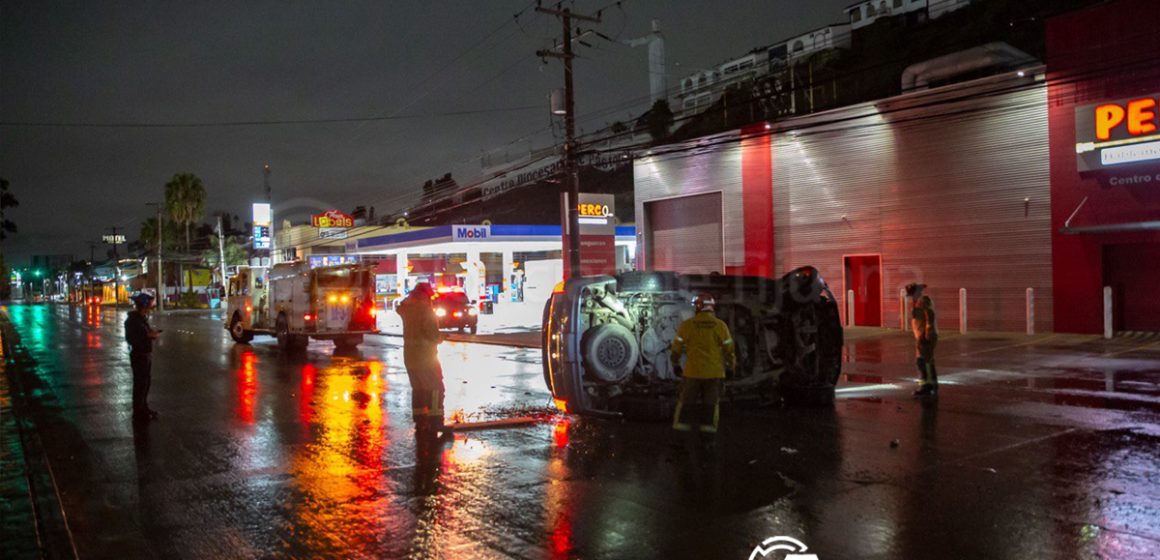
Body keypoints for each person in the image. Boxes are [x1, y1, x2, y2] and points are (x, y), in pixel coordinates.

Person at [670, 292, 736, 440]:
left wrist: (675, 364)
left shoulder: (687, 325)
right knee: (710, 407)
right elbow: (729, 350)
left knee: (686, 406)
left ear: (697, 308)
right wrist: (731, 367)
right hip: (714, 374)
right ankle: (707, 441)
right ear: (712, 308)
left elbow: (676, 349)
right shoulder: (720, 326)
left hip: (692, 373)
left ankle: (680, 440)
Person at [397, 282, 449, 440]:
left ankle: (420, 421)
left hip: (410, 358)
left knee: (419, 389)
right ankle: (436, 421)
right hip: (426, 358)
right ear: (426, 295)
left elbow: (400, 306)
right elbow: (433, 335)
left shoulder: (407, 310)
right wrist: (442, 337)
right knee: (436, 388)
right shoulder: (426, 311)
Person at [124, 292, 162, 420]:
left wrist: (151, 334)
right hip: (139, 355)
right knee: (140, 384)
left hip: (145, 354)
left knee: (145, 383)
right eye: (148, 307)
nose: (149, 310)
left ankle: (143, 408)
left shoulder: (141, 319)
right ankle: (139, 412)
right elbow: (132, 338)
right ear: (142, 306)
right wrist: (149, 336)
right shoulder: (133, 321)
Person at [907, 283, 939, 396]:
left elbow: (930, 315)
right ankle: (930, 385)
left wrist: (928, 331)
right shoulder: (917, 302)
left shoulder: (923, 300)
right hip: (921, 336)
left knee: (924, 362)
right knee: (924, 361)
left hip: (925, 336)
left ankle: (927, 386)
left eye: (912, 293)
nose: (911, 296)